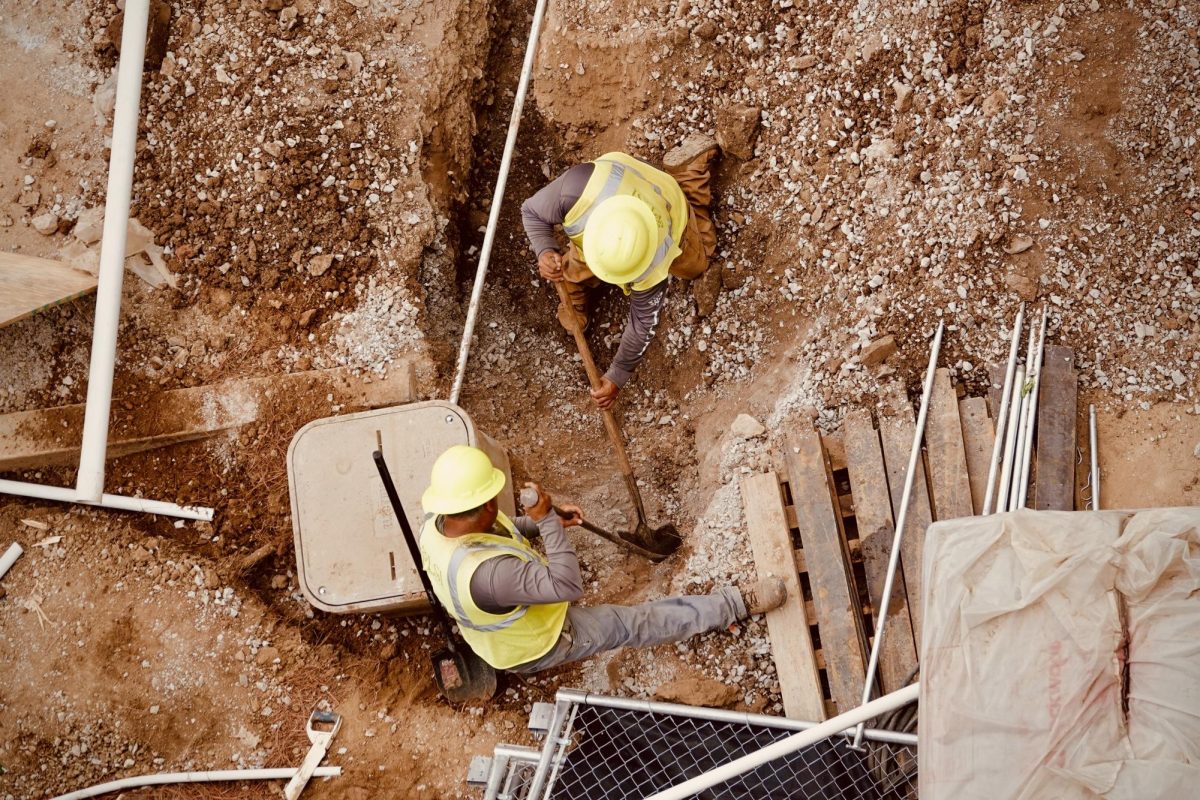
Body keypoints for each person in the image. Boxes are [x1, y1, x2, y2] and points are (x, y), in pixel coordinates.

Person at [417, 445, 785, 674]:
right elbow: (566, 586)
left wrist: (541, 524)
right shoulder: (492, 576)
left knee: (622, 619)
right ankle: (733, 605)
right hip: (538, 641)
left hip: (502, 634)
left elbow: (503, 528)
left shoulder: (437, 526)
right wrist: (547, 520)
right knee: (630, 623)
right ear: (484, 502)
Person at [521, 135, 720, 409]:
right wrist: (545, 251)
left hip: (668, 202)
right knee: (576, 261)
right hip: (618, 183)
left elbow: (642, 327)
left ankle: (687, 174)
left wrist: (617, 375)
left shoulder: (655, 260)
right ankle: (573, 289)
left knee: (698, 261)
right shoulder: (578, 190)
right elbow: (531, 211)